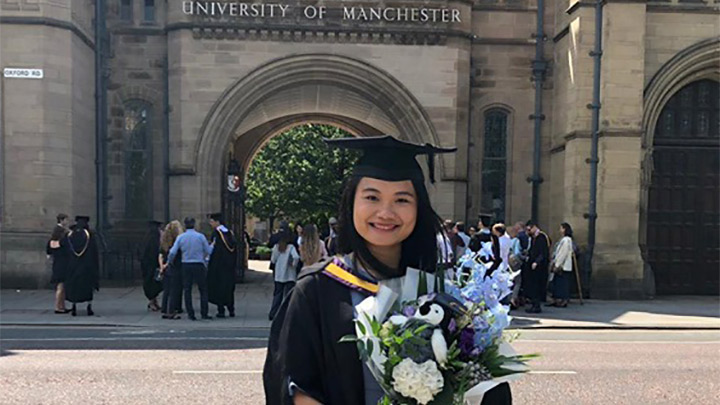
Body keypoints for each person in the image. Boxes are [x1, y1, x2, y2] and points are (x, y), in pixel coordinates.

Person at [263, 135, 511, 405]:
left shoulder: (440, 293)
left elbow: (487, 386)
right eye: (372, 197)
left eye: (402, 200)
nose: (385, 212)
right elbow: (296, 387)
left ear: (418, 209)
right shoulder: (316, 290)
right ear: (351, 203)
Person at [167, 217, 212, 321]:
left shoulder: (181, 237)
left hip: (186, 264)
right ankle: (204, 313)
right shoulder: (200, 237)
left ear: (185, 225)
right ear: (194, 224)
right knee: (203, 289)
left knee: (187, 290)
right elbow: (208, 251)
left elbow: (173, 252)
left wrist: (170, 261)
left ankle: (191, 314)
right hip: (199, 264)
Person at [63, 216, 100, 317]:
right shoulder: (89, 236)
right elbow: (94, 252)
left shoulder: (70, 235)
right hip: (86, 266)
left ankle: (74, 307)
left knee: (74, 286)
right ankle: (89, 307)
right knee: (87, 287)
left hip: (73, 265)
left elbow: (65, 250)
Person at [207, 213, 237, 318]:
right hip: (229, 267)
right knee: (229, 287)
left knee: (219, 287)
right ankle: (231, 309)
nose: (210, 224)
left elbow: (212, 249)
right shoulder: (230, 233)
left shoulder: (217, 234)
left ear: (217, 222)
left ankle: (221, 310)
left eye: (211, 221)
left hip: (218, 266)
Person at [268, 230, 300, 321]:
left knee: (277, 295)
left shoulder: (276, 247)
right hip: (290, 275)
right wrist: (293, 265)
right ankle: (288, 314)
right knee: (288, 296)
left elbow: (273, 260)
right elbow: (297, 257)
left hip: (279, 275)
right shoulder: (291, 247)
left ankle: (273, 313)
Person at [159, 220, 184, 319]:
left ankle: (164, 307)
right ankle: (174, 308)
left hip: (166, 266)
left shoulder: (164, 240)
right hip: (176, 265)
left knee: (167, 289)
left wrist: (162, 266)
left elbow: (160, 254)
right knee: (176, 288)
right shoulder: (179, 241)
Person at [525, 220, 551, 313]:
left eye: (529, 229)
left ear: (534, 227)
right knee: (532, 286)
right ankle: (534, 304)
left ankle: (536, 305)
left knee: (537, 286)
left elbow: (543, 252)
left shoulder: (542, 237)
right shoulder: (533, 237)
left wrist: (537, 262)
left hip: (539, 267)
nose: (528, 231)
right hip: (532, 266)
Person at [47, 213, 71, 313]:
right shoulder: (61, 232)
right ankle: (58, 307)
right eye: (66, 220)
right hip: (61, 261)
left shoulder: (58, 231)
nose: (67, 222)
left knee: (62, 285)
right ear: (61, 220)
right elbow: (58, 245)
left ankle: (61, 306)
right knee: (60, 285)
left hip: (59, 261)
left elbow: (49, 247)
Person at [549, 222, 574, 307]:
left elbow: (563, 253)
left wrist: (557, 264)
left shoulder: (566, 240)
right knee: (558, 284)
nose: (560, 230)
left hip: (563, 266)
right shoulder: (564, 239)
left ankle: (562, 300)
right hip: (561, 266)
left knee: (562, 284)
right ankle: (557, 300)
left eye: (561, 228)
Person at [141, 220, 163, 312]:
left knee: (153, 283)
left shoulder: (147, 238)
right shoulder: (154, 239)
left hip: (148, 264)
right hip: (152, 265)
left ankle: (153, 301)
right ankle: (152, 302)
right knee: (153, 284)